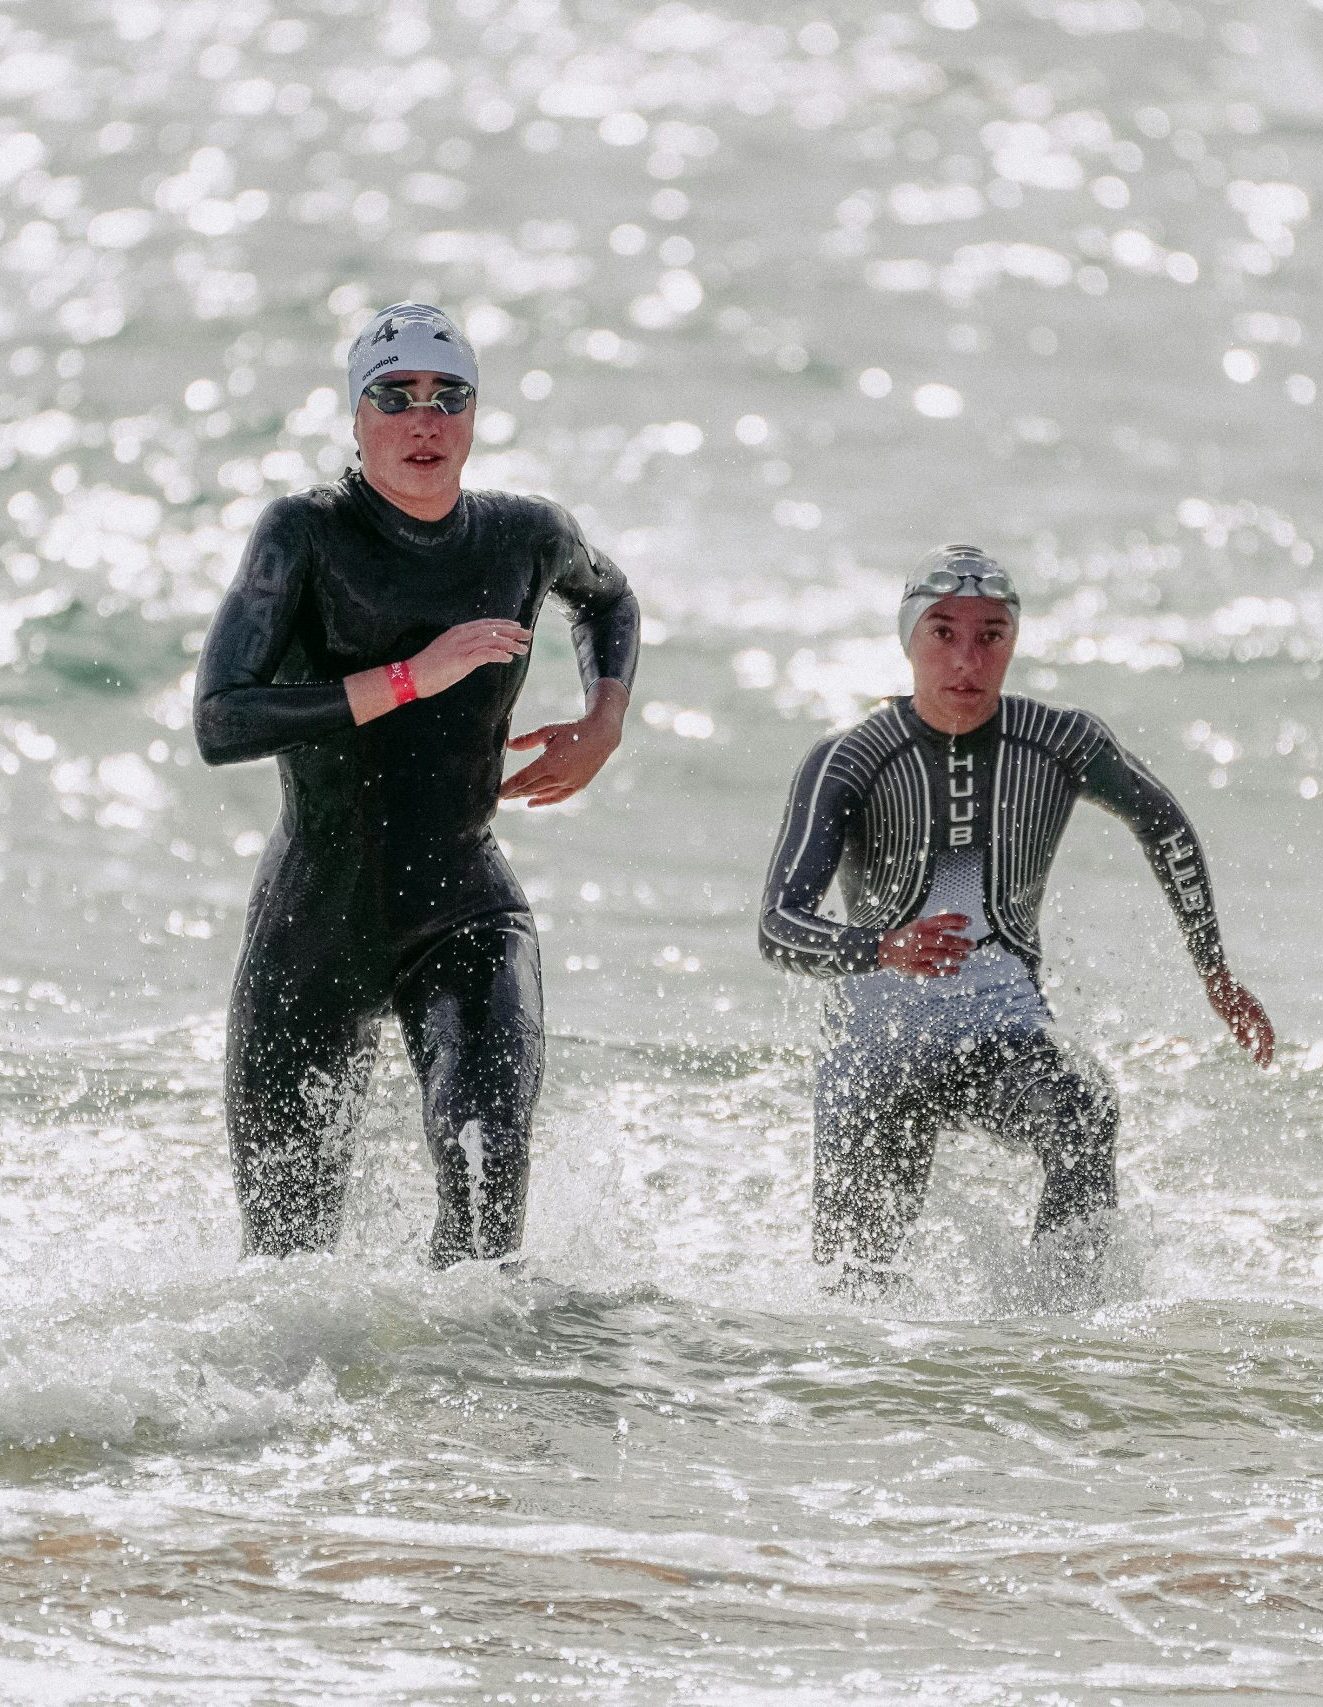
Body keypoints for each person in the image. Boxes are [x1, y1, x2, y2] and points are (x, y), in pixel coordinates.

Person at [194, 302, 639, 1267]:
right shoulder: (303, 534)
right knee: (285, 1261)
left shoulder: (525, 534)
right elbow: (220, 718)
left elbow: (607, 598)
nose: (423, 420)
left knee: (486, 1193)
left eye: (449, 397)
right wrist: (410, 678)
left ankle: (477, 1371)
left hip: (462, 906)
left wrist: (603, 719)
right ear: (357, 417)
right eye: (394, 397)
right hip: (316, 919)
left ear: (474, 414)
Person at [759, 545, 1273, 1299]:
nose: (967, 659)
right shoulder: (851, 757)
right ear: (909, 639)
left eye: (990, 635)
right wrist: (882, 946)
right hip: (875, 1049)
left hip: (998, 1032)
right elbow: (778, 927)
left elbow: (1163, 825)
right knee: (857, 1296)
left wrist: (1213, 971)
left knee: (1083, 1109)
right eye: (943, 633)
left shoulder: (1061, 743)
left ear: (1013, 642)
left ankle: (1060, 1325)